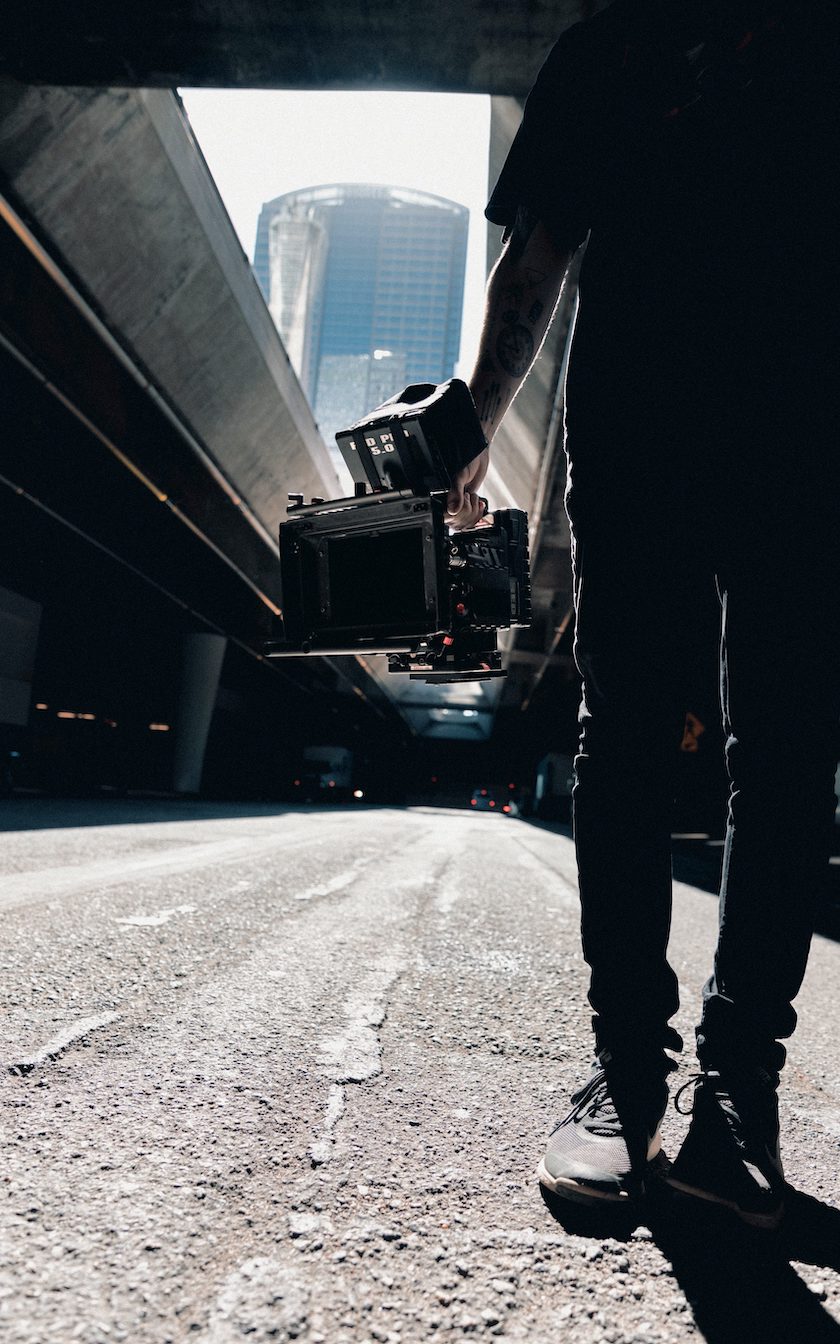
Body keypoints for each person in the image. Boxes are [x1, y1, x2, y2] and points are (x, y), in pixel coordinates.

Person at [446, 0, 840, 1227]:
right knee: (627, 741)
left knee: (784, 753)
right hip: (638, 440)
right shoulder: (613, 43)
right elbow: (542, 252)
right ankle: (628, 1072)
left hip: (811, 447)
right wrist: (469, 425)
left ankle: (738, 1091)